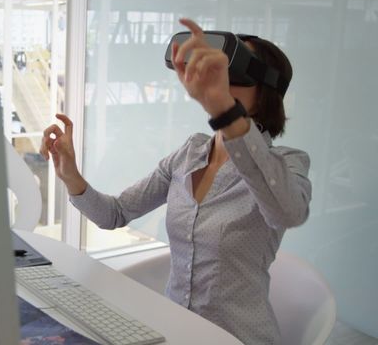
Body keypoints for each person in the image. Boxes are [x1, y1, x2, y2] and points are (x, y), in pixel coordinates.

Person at [40, 18, 311, 344]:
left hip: (238, 337)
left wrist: (224, 109)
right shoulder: (190, 153)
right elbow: (115, 213)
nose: (218, 80)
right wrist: (70, 174)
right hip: (172, 331)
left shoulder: (286, 163)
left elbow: (288, 213)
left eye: (232, 72)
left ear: (266, 90)